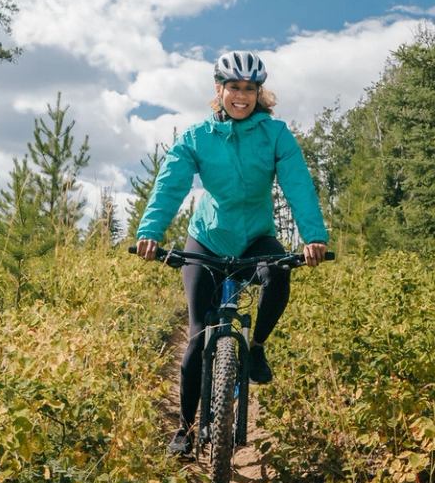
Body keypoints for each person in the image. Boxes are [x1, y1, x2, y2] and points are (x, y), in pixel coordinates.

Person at [134, 49, 329, 456]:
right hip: (206, 240)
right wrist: (150, 232)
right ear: (219, 90)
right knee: (194, 340)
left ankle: (255, 348)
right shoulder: (196, 137)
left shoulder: (275, 135)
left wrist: (312, 237)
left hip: (256, 238)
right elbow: (171, 185)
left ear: (260, 93)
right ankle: (185, 430)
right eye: (233, 88)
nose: (241, 96)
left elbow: (298, 185)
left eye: (249, 89)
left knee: (277, 273)